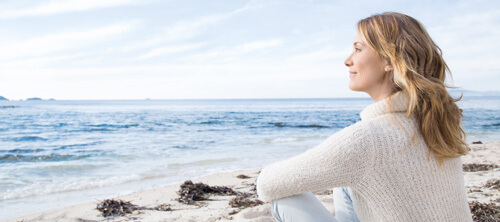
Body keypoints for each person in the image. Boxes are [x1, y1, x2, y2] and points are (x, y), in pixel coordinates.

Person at [256, 12, 473, 222]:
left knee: (286, 199)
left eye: (358, 49)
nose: (347, 60)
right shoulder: (436, 123)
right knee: (346, 182)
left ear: (389, 60)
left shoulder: (368, 139)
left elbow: (267, 184)